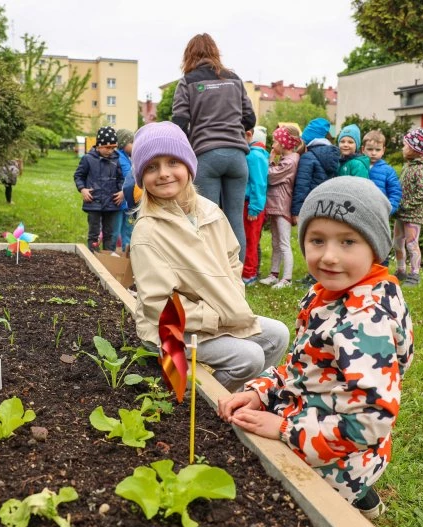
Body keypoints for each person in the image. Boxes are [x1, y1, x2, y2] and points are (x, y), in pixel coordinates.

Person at [217, 176, 414, 520]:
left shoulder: (365, 322)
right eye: (317, 240)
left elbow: (370, 420)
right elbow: (303, 368)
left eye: (348, 241)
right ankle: (362, 494)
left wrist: (283, 430)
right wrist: (261, 392)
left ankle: (349, 496)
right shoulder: (325, 294)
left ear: (376, 247)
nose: (329, 256)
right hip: (317, 427)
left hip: (332, 452)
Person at [129, 121, 290, 392]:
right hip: (173, 329)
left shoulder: (209, 211)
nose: (164, 173)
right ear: (141, 177)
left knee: (278, 335)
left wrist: (234, 298)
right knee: (249, 357)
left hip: (218, 314)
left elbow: (232, 260)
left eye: (172, 162)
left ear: (189, 166)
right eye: (151, 167)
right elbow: (158, 305)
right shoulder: (148, 231)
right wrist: (213, 318)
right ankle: (207, 403)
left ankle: (242, 397)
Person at [172, 33, 256, 263]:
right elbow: (250, 118)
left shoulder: (187, 81)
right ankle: (235, 273)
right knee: (234, 218)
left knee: (206, 218)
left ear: (189, 55)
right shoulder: (235, 80)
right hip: (237, 157)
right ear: (215, 52)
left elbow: (179, 123)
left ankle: (210, 271)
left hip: (206, 155)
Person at [291, 118, 341, 286]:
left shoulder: (309, 157)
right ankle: (317, 275)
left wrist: (296, 211)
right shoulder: (332, 155)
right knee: (324, 241)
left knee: (313, 242)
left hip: (311, 206)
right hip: (327, 206)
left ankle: (314, 277)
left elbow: (302, 186)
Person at [259, 126, 301, 289]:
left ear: (284, 143)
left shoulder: (290, 162)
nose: (273, 144)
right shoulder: (288, 159)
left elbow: (270, 176)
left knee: (284, 243)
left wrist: (271, 158)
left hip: (283, 206)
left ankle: (287, 278)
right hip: (276, 205)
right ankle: (274, 274)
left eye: (276, 140)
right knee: (276, 242)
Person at [394, 128, 423, 287]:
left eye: (405, 145)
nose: (403, 148)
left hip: (413, 214)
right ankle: (400, 271)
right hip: (401, 212)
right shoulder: (408, 165)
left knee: (411, 244)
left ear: (414, 148)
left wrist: (407, 206)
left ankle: (415, 275)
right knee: (397, 243)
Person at [73, 126, 124, 252]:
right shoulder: (87, 159)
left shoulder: (116, 159)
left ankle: (108, 259)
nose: (110, 151)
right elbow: (79, 176)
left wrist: (123, 192)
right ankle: (93, 258)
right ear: (99, 145)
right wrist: (83, 189)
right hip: (93, 202)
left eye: (113, 147)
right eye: (107, 147)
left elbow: (121, 178)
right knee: (94, 234)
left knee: (110, 234)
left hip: (112, 203)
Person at [242, 126, 269, 286]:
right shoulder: (257, 154)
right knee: (250, 239)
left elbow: (258, 183)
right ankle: (249, 271)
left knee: (250, 239)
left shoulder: (254, 156)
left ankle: (249, 274)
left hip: (251, 204)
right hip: (251, 203)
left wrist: (254, 207)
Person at [363, 130, 402, 216]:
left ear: (383, 150)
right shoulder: (358, 166)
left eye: (377, 150)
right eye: (370, 149)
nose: (373, 153)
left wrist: (389, 210)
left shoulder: (388, 171)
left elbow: (395, 192)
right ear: (363, 149)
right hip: (360, 211)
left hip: (379, 213)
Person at [114, 128, 135, 252]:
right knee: (124, 231)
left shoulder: (126, 157)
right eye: (131, 142)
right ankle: (124, 254)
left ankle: (124, 253)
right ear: (123, 143)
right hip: (122, 202)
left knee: (127, 230)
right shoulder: (121, 158)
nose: (134, 145)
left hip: (126, 203)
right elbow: (129, 177)